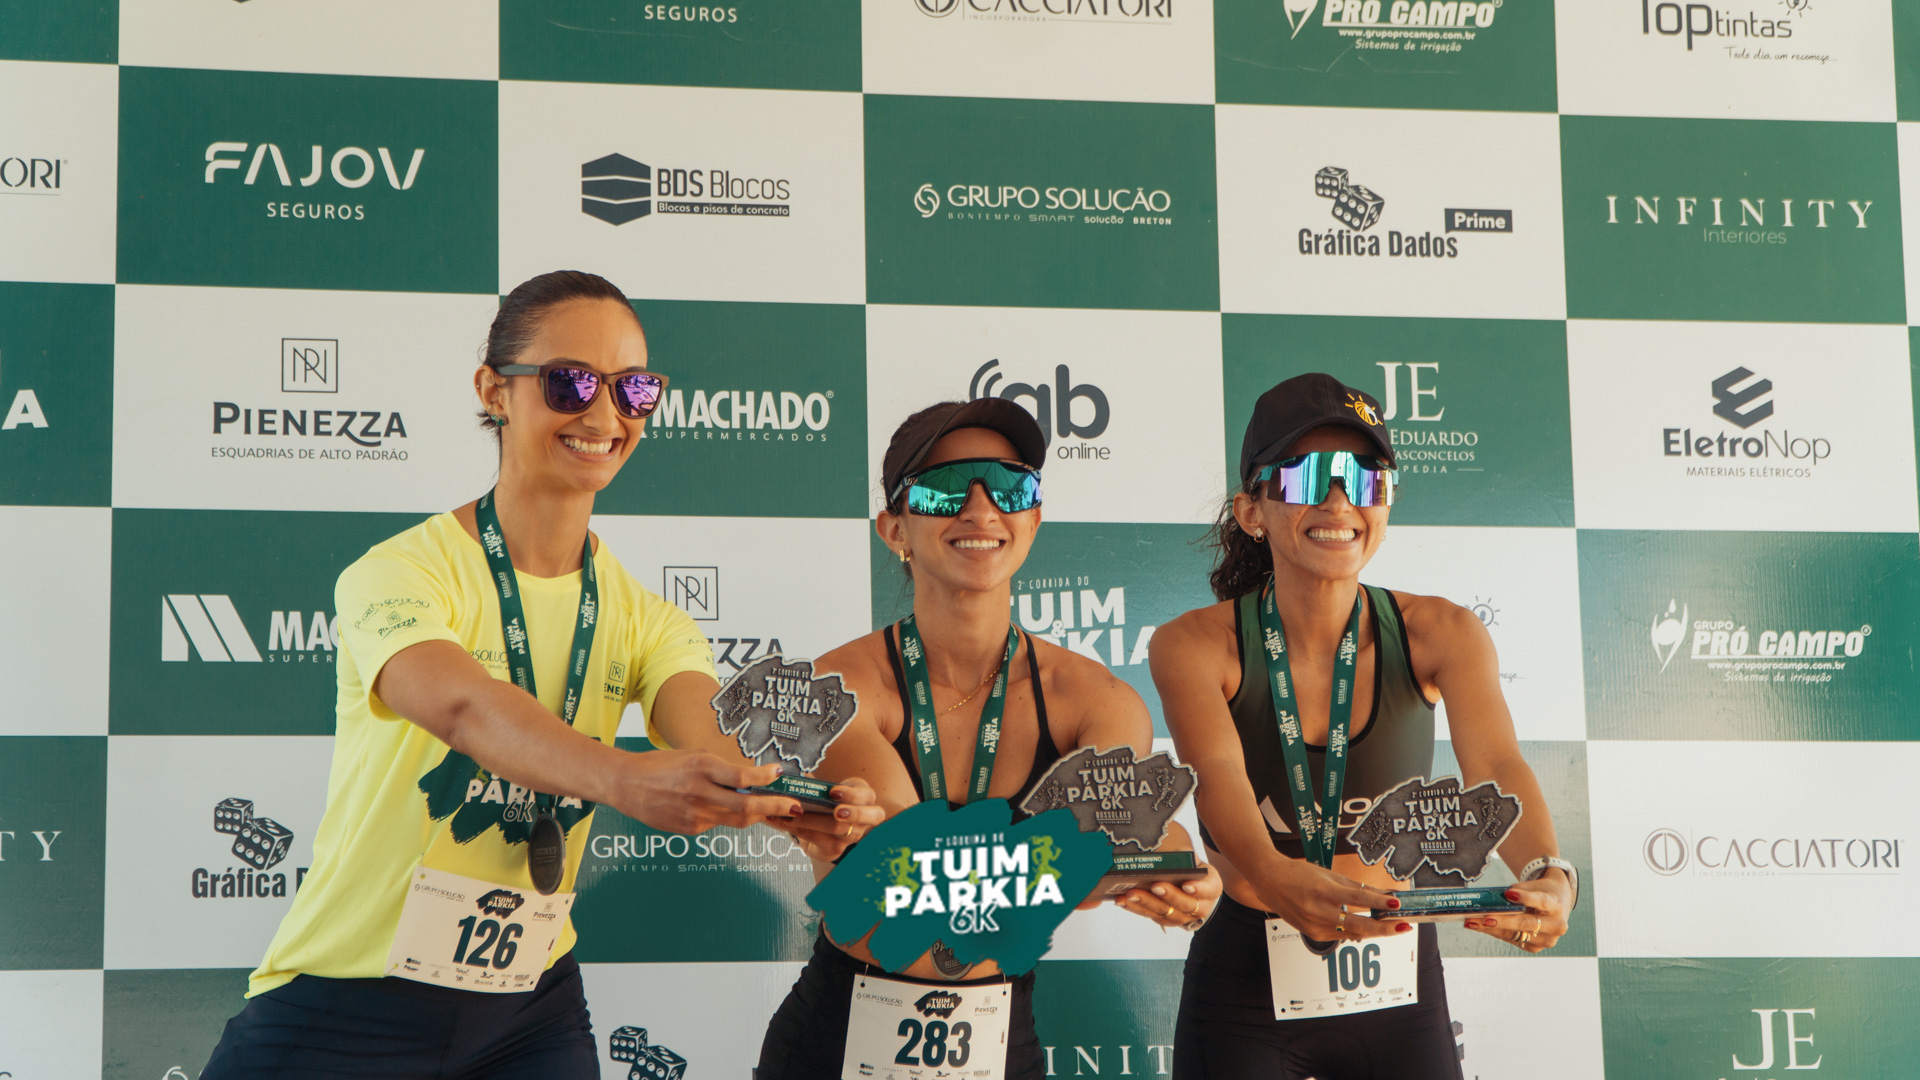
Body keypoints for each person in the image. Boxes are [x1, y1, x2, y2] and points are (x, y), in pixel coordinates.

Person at [200, 270, 884, 1079]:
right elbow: (464, 708)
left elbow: (708, 734)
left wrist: (791, 799)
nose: (604, 415)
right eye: (570, 383)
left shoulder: (648, 618)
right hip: (348, 1000)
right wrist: (623, 778)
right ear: (495, 390)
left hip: (528, 1010)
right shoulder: (398, 574)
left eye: (633, 389)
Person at [755, 399, 1223, 1080]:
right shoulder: (834, 690)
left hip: (1002, 1040)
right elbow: (908, 881)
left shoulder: (1099, 700)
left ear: (1034, 518)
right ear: (895, 529)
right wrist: (1114, 854)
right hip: (835, 1040)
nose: (980, 510)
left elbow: (1113, 844)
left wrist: (1179, 866)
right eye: (945, 489)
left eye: (1009, 487)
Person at [1149, 373, 1579, 1080]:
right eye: (1307, 476)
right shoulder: (1193, 644)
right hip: (1245, 983)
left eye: (1364, 477)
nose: (1339, 500)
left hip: (1398, 973)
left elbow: (1497, 766)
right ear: (1252, 510)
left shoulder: (1443, 631)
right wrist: (1278, 879)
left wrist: (1548, 874)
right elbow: (1218, 777)